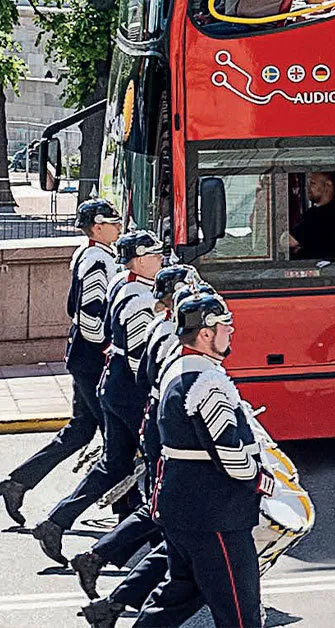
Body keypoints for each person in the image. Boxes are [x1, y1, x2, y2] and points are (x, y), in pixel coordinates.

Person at [131, 292, 270, 628]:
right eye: (226, 327)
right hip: (215, 515)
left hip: (183, 509)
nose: (231, 333)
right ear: (206, 334)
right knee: (240, 614)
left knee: (177, 598)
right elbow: (232, 457)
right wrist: (261, 479)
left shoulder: (178, 368)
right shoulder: (206, 382)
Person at [74, 266, 203, 622]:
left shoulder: (160, 329)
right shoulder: (173, 337)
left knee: (171, 526)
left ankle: (111, 597)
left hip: (155, 421)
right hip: (169, 430)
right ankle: (100, 562)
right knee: (169, 515)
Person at [33, 229, 166, 566]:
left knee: (114, 465)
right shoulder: (139, 299)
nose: (161, 259)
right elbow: (140, 358)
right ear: (138, 259)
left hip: (114, 382)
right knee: (158, 463)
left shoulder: (124, 282)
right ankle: (152, 543)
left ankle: (56, 522)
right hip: (130, 388)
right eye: (155, 255)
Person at [0, 199, 122, 528]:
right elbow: (90, 313)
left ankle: (18, 483)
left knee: (82, 431)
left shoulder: (89, 253)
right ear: (97, 227)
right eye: (113, 222)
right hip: (92, 358)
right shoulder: (97, 261)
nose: (118, 226)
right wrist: (107, 349)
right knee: (117, 439)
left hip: (82, 355)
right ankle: (123, 515)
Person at [289, 172, 335, 261]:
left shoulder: (334, 216)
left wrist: (298, 250)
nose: (308, 188)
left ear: (328, 185)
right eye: (307, 183)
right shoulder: (310, 213)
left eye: (312, 183)